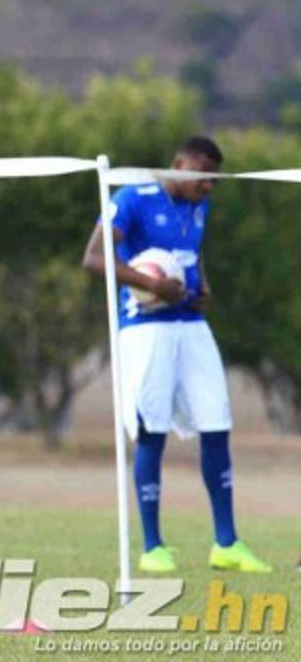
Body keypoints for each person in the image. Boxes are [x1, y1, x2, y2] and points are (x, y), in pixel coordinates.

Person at [82, 136, 271, 575]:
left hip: (191, 326)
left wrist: (202, 287)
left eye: (214, 181)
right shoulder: (133, 197)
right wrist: (151, 285)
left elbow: (192, 254)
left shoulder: (199, 205)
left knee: (217, 421)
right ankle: (153, 547)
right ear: (179, 165)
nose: (209, 188)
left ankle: (226, 543)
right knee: (152, 429)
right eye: (203, 178)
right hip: (145, 329)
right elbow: (93, 259)